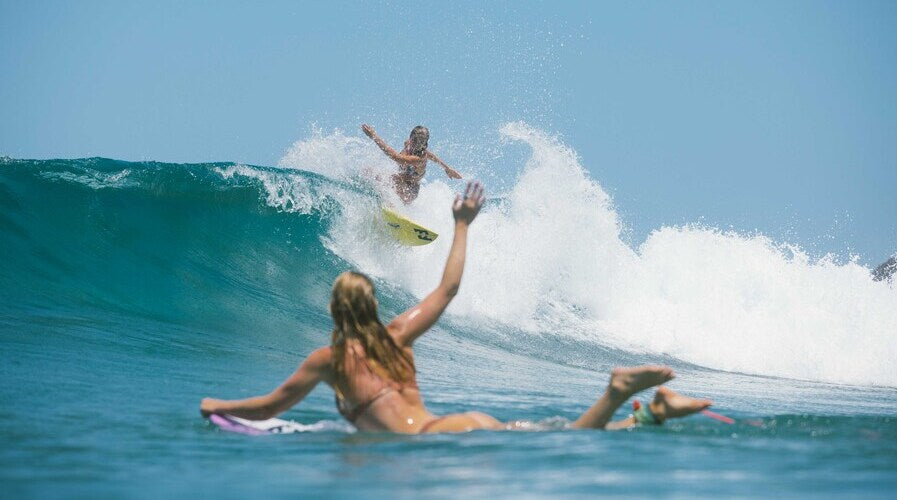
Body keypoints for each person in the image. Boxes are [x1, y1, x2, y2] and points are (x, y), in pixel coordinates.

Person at [200, 181, 713, 433]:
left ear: (334, 310)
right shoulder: (397, 335)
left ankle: (620, 391)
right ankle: (648, 415)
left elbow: (269, 408)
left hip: (433, 442)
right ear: (374, 305)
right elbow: (446, 291)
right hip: (461, 425)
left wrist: (216, 405)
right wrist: (462, 224)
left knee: (569, 436)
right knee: (557, 433)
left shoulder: (329, 360)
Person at [361, 123, 462, 204]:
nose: (417, 143)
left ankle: (392, 208)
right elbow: (432, 156)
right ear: (411, 139)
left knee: (394, 179)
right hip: (401, 185)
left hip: (410, 192)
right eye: (415, 140)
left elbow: (395, 157)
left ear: (425, 143)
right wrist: (447, 168)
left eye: (421, 142)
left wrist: (374, 136)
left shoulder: (418, 158)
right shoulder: (409, 145)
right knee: (371, 171)